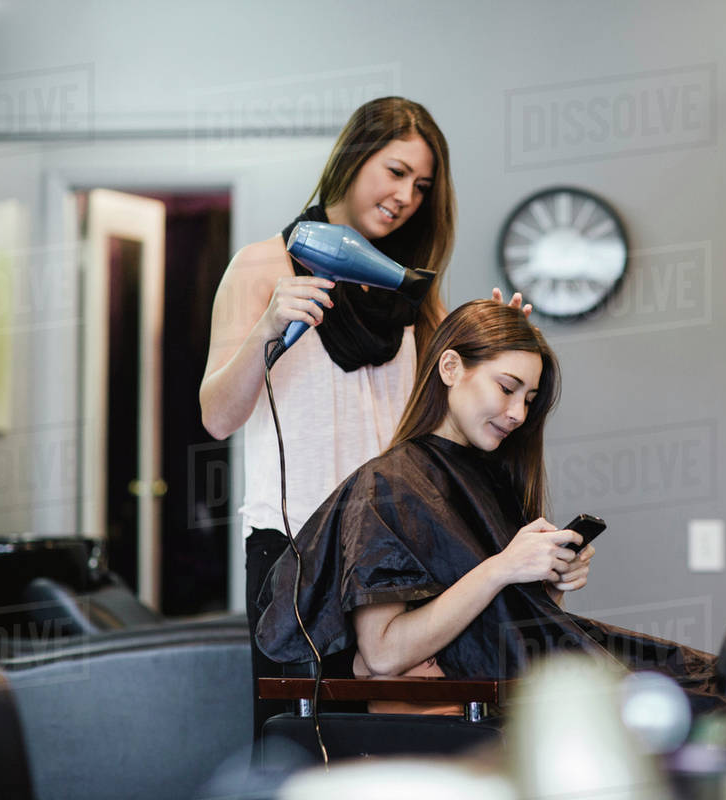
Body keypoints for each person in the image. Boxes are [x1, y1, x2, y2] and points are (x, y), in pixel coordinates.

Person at [199, 97, 525, 736]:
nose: (407, 196)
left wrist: (496, 357)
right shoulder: (262, 268)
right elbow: (216, 417)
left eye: (422, 186)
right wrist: (267, 327)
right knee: (301, 739)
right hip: (294, 551)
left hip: (390, 556)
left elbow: (441, 423)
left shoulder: (412, 292)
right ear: (353, 159)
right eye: (396, 171)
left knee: (395, 742)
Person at [256, 300, 721, 711]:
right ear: (451, 367)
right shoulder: (389, 485)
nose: (519, 413)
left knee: (719, 681)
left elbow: (504, 624)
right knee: (694, 707)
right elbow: (381, 653)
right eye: (507, 387)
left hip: (515, 683)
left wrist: (550, 582)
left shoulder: (493, 477)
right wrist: (503, 567)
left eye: (529, 399)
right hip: (477, 707)